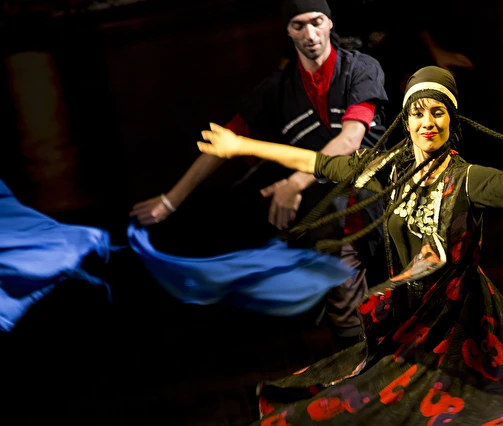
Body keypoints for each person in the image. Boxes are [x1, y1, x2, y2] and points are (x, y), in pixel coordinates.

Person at [196, 66, 503, 425]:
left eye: (437, 112)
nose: (427, 123)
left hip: (462, 322)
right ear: (406, 119)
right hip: (411, 322)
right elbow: (318, 162)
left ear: (451, 119)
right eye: (418, 113)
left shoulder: (468, 178)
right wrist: (242, 147)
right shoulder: (389, 169)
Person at [130, 0, 390, 349]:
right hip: (331, 218)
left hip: (384, 201)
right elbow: (223, 142)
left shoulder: (360, 68)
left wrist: (294, 183)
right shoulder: (277, 89)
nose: (310, 34)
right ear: (288, 31)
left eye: (316, 22)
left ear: (329, 23)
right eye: (298, 25)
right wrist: (169, 201)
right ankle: (364, 373)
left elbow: (350, 140)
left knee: (409, 297)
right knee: (348, 315)